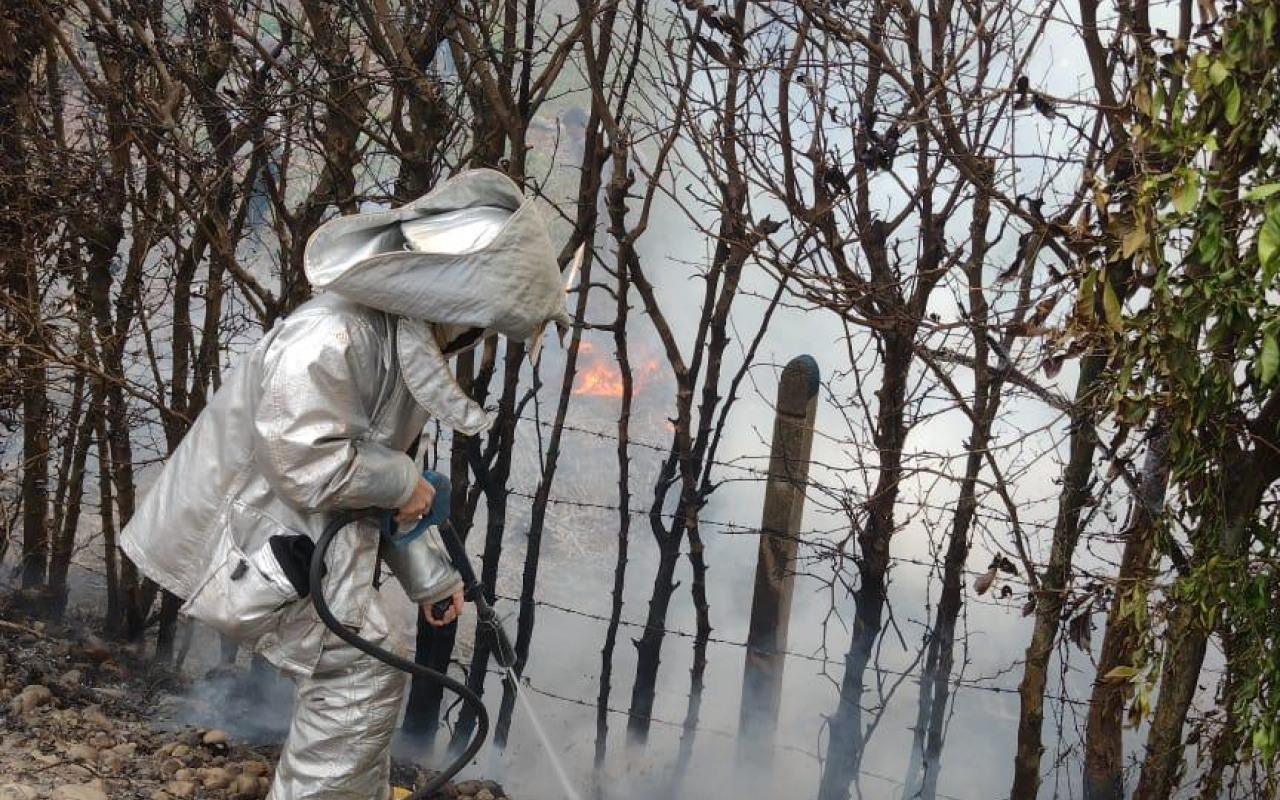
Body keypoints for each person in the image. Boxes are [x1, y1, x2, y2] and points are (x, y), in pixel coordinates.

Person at [120, 169, 572, 800]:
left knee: (363, 668)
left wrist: (430, 576)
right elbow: (307, 461)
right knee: (357, 671)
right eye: (485, 323)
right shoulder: (333, 336)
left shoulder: (395, 341)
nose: (479, 337)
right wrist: (402, 479)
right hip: (244, 539)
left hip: (294, 538)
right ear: (456, 303)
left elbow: (378, 480)